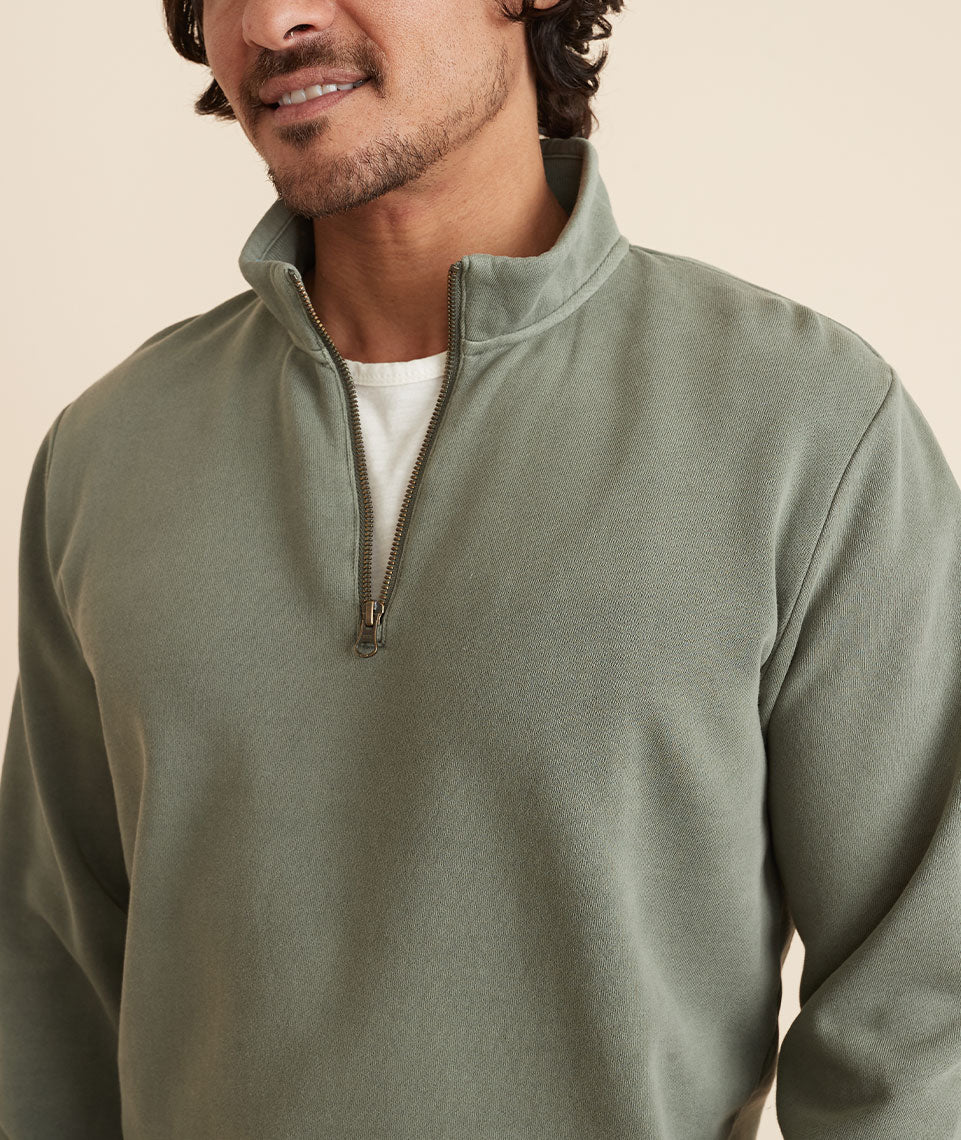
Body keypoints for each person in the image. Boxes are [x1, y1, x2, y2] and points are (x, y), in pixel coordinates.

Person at [1, 0, 959, 1135]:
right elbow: (48, 1000)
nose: (267, 19)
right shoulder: (109, 454)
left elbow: (922, 1024)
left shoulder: (802, 425)